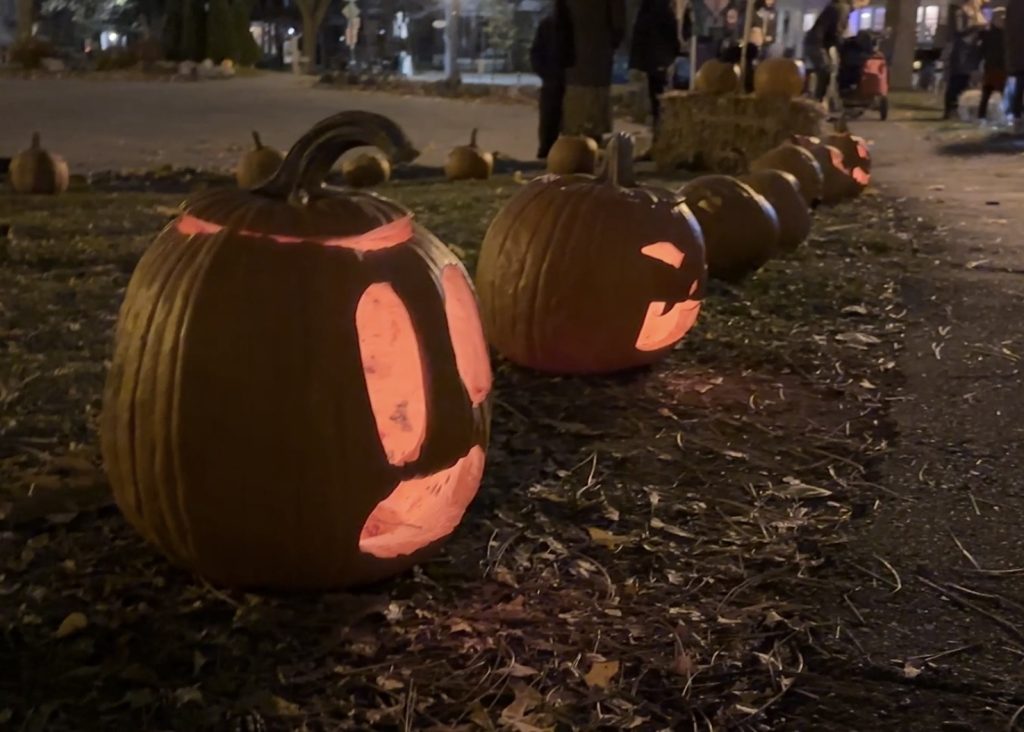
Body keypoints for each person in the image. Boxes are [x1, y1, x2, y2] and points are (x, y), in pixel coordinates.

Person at [530, 0, 575, 159]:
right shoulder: (549, 25)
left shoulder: (551, 25)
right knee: (551, 116)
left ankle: (551, 149)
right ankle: (548, 149)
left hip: (561, 78)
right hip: (555, 78)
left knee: (555, 116)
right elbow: (536, 53)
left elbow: (536, 53)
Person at [629, 0, 682, 133]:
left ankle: (657, 122)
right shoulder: (664, 11)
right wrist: (673, 52)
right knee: (660, 92)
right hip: (660, 57)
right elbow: (670, 33)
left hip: (650, 58)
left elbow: (639, 34)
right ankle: (661, 124)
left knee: (654, 92)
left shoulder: (645, 10)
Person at [804, 0, 865, 102]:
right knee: (825, 70)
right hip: (817, 43)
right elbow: (837, 31)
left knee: (827, 70)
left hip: (818, 42)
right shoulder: (843, 8)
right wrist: (843, 45)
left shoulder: (840, 6)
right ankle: (817, 102)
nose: (865, 5)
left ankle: (821, 100)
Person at [944, 0, 987, 119]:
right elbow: (959, 30)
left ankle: (961, 110)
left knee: (965, 80)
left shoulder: (975, 10)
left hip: (971, 51)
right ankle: (951, 109)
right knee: (957, 80)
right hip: (961, 50)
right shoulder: (960, 10)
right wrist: (977, 28)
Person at [978, 8, 1007, 120]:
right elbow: (982, 50)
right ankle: (982, 116)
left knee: (1002, 92)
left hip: (1000, 67)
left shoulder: (1004, 33)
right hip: (993, 67)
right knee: (988, 92)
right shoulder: (989, 34)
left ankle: (1004, 115)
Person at [1007, 0, 1024, 131]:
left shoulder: (1012, 6)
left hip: (1017, 57)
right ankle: (1017, 118)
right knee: (1019, 88)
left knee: (1019, 88)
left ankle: (1017, 119)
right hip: (1018, 56)